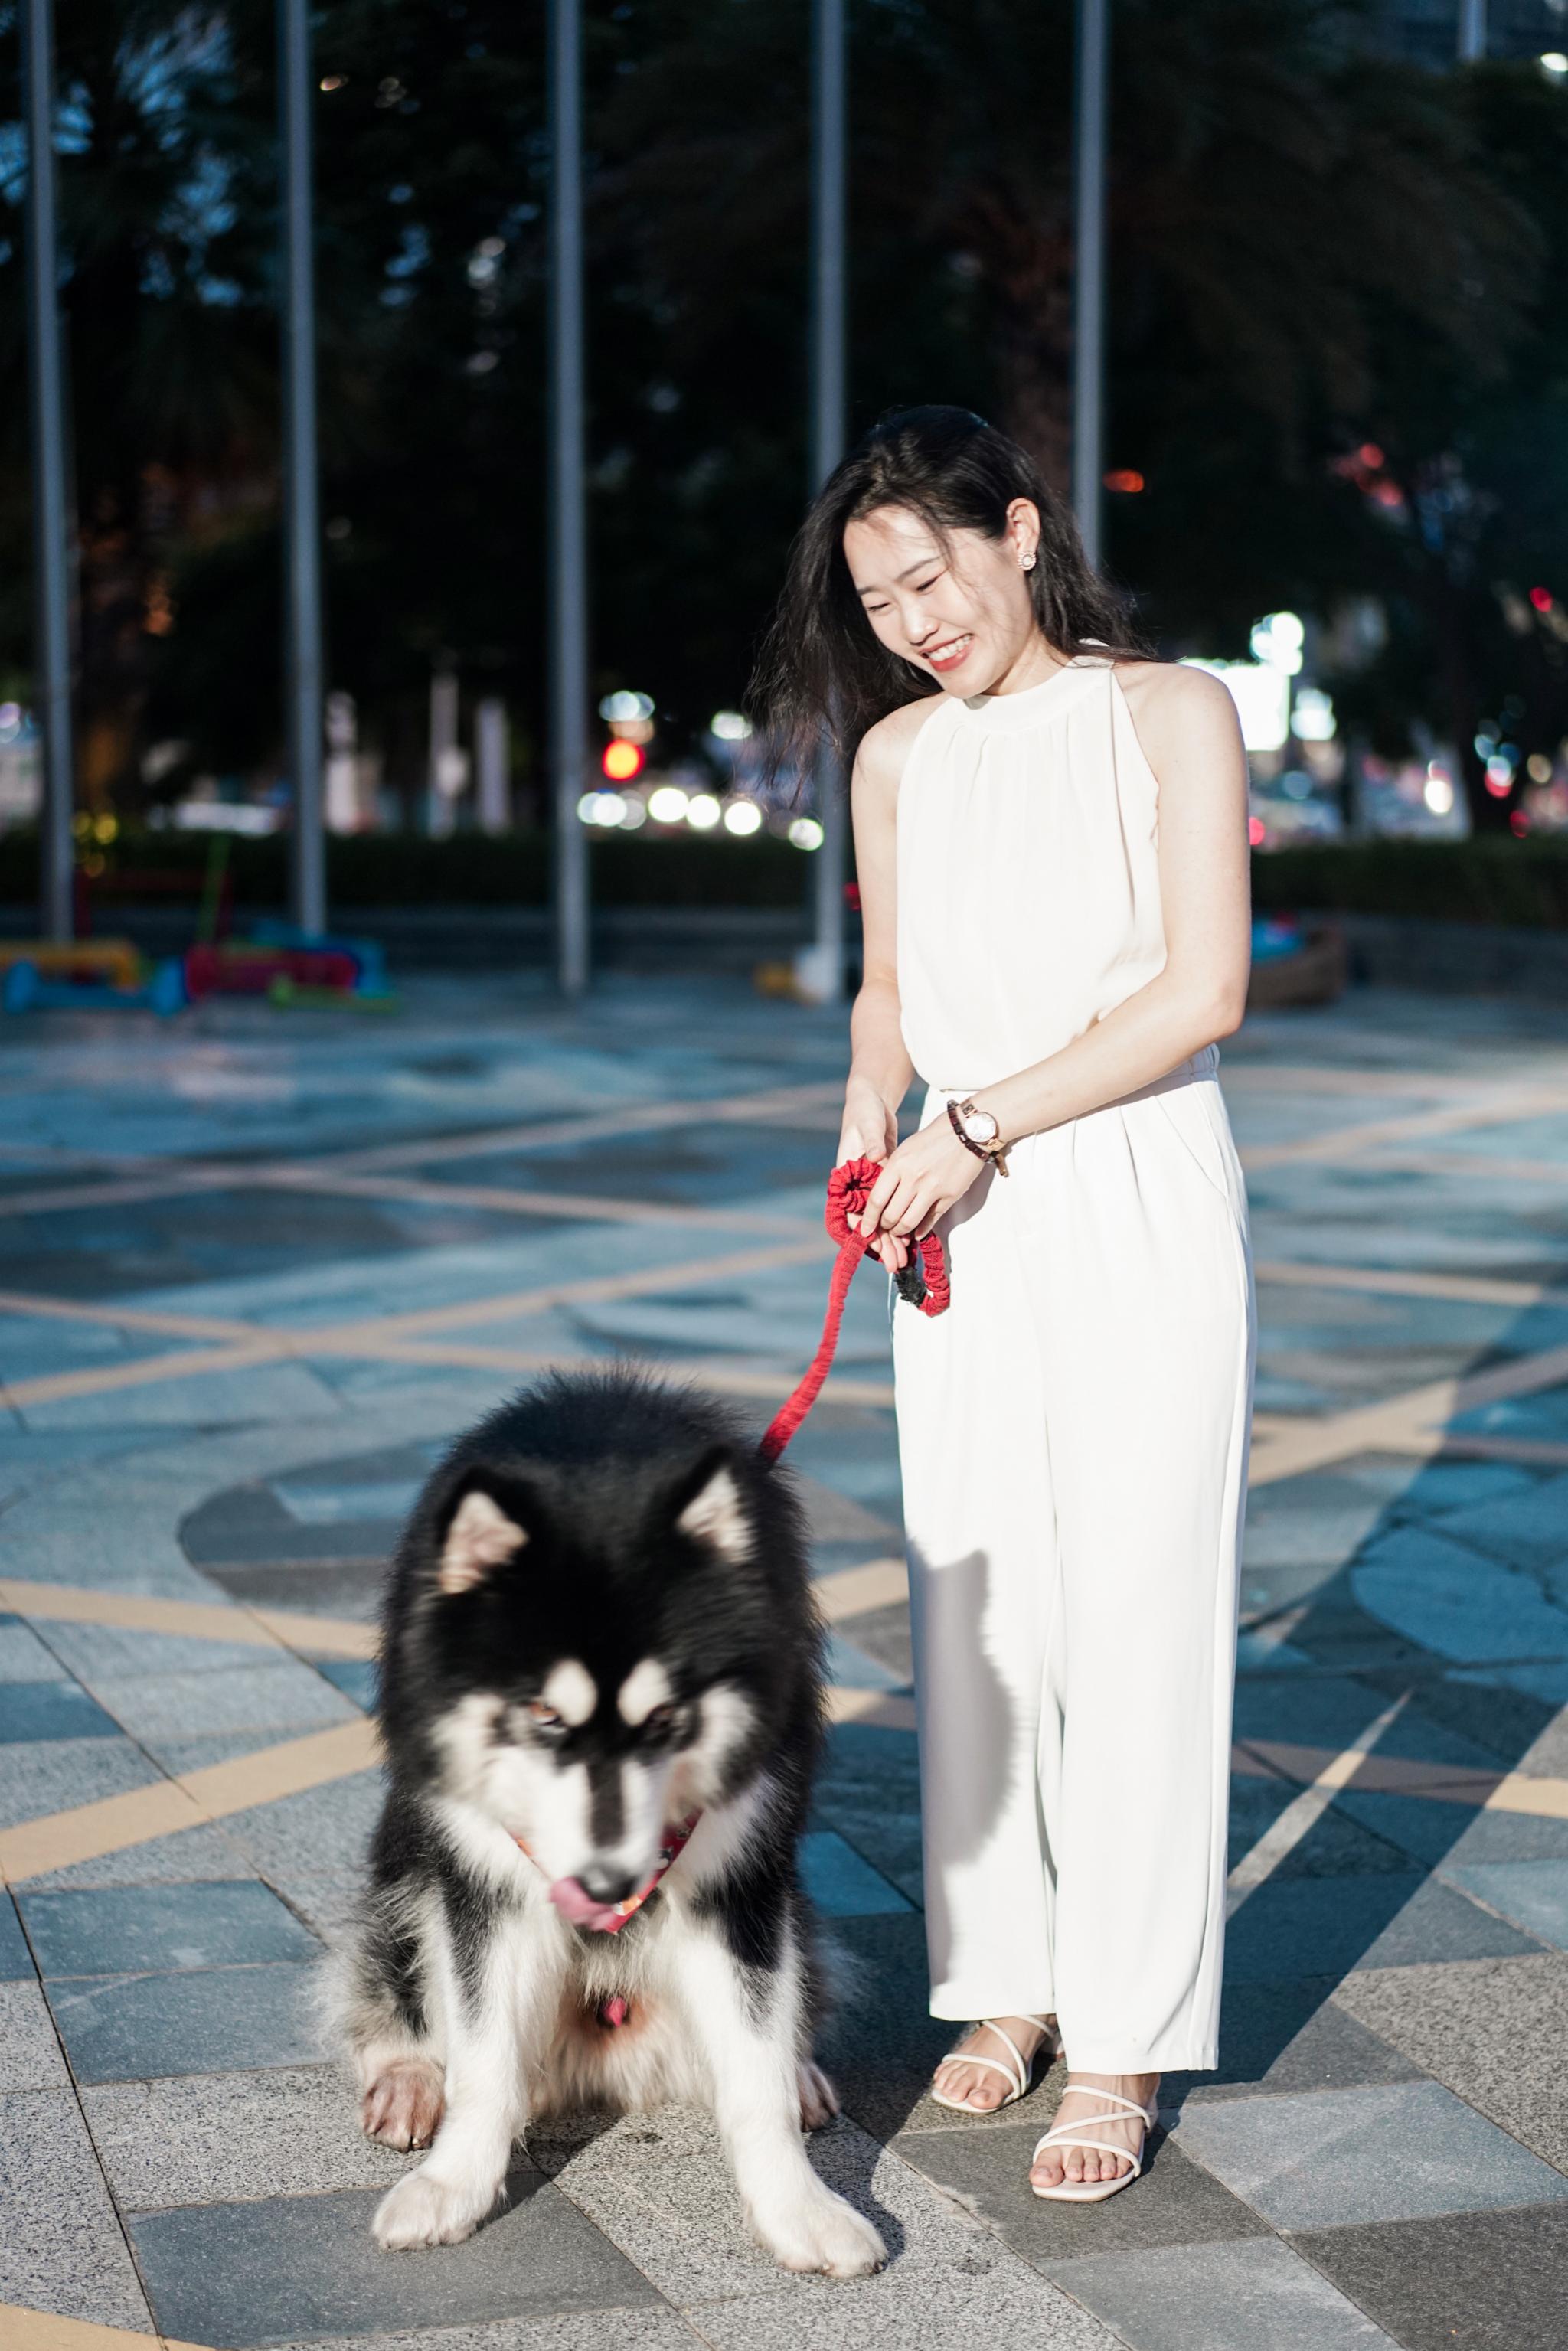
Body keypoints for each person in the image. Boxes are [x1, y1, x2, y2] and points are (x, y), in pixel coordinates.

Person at [753, 407, 1256, 2202]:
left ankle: (1119, 2038)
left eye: (930, 575)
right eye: (878, 600)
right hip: (950, 1213)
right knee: (978, 1607)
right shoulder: (895, 756)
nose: (912, 621)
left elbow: (1200, 995)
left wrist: (975, 1126)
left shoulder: (1168, 712)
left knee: (1135, 1613)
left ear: (1020, 534)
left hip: (1127, 1188)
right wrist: (869, 1106)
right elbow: (891, 985)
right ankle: (1005, 1983)